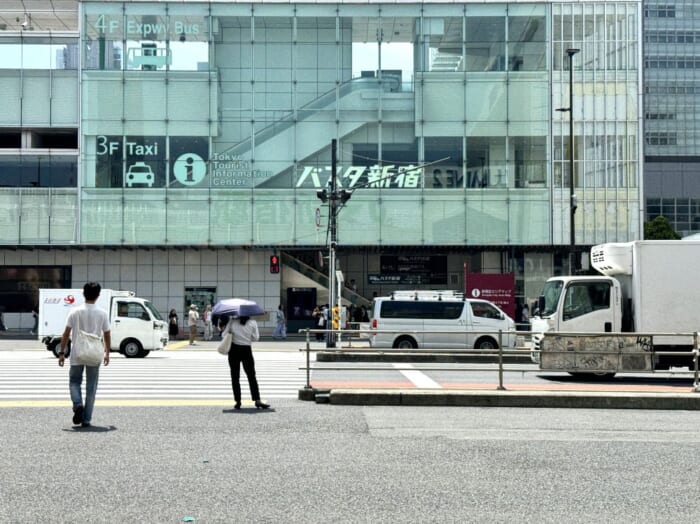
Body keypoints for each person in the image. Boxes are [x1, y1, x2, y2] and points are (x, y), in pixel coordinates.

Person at [57, 282, 110, 428]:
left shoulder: (75, 312)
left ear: (83, 293)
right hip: (94, 354)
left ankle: (77, 404)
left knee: (74, 381)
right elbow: (106, 334)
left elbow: (66, 333)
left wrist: (62, 353)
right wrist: (107, 353)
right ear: (98, 295)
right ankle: (86, 419)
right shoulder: (103, 313)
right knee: (91, 387)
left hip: (77, 353)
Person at [223, 315, 270, 410]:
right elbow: (256, 338)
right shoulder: (252, 322)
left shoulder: (232, 321)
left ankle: (238, 401)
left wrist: (231, 331)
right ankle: (257, 400)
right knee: (251, 376)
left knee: (235, 377)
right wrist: (247, 337)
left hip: (234, 350)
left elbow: (224, 335)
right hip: (246, 350)